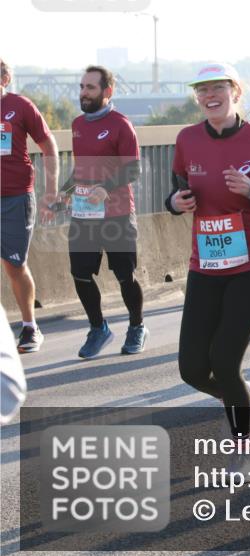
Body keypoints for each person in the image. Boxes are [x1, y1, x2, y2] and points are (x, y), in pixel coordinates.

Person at [167, 63, 250, 449]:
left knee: (224, 360)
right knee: (192, 369)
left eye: (218, 88)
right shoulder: (187, 138)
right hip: (206, 264)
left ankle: (243, 450)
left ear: (235, 92)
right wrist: (174, 202)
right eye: (202, 90)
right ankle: (236, 391)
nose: (209, 96)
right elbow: (178, 190)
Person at [61, 66, 148, 359]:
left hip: (117, 212)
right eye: (82, 87)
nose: (83, 93)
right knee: (80, 274)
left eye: (90, 88)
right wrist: (65, 191)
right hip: (84, 213)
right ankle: (98, 328)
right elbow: (81, 169)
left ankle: (137, 326)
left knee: (125, 275)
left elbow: (133, 168)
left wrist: (106, 188)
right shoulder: (77, 124)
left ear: (107, 92)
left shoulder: (121, 125)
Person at [0, 58, 60, 354]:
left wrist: (51, 192)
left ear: (5, 77)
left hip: (15, 198)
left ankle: (29, 327)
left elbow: (48, 146)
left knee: (14, 265)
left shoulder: (20, 106)